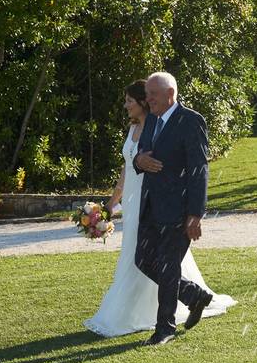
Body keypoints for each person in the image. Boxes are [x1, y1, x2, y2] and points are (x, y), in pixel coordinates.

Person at [83, 78, 234, 340]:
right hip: (149, 206)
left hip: (178, 208)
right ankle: (193, 295)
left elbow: (199, 171)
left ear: (170, 93)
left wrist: (195, 214)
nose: (148, 98)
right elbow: (141, 156)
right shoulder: (151, 119)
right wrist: (140, 160)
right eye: (148, 95)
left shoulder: (191, 121)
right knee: (143, 260)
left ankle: (165, 328)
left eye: (153, 94)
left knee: (168, 266)